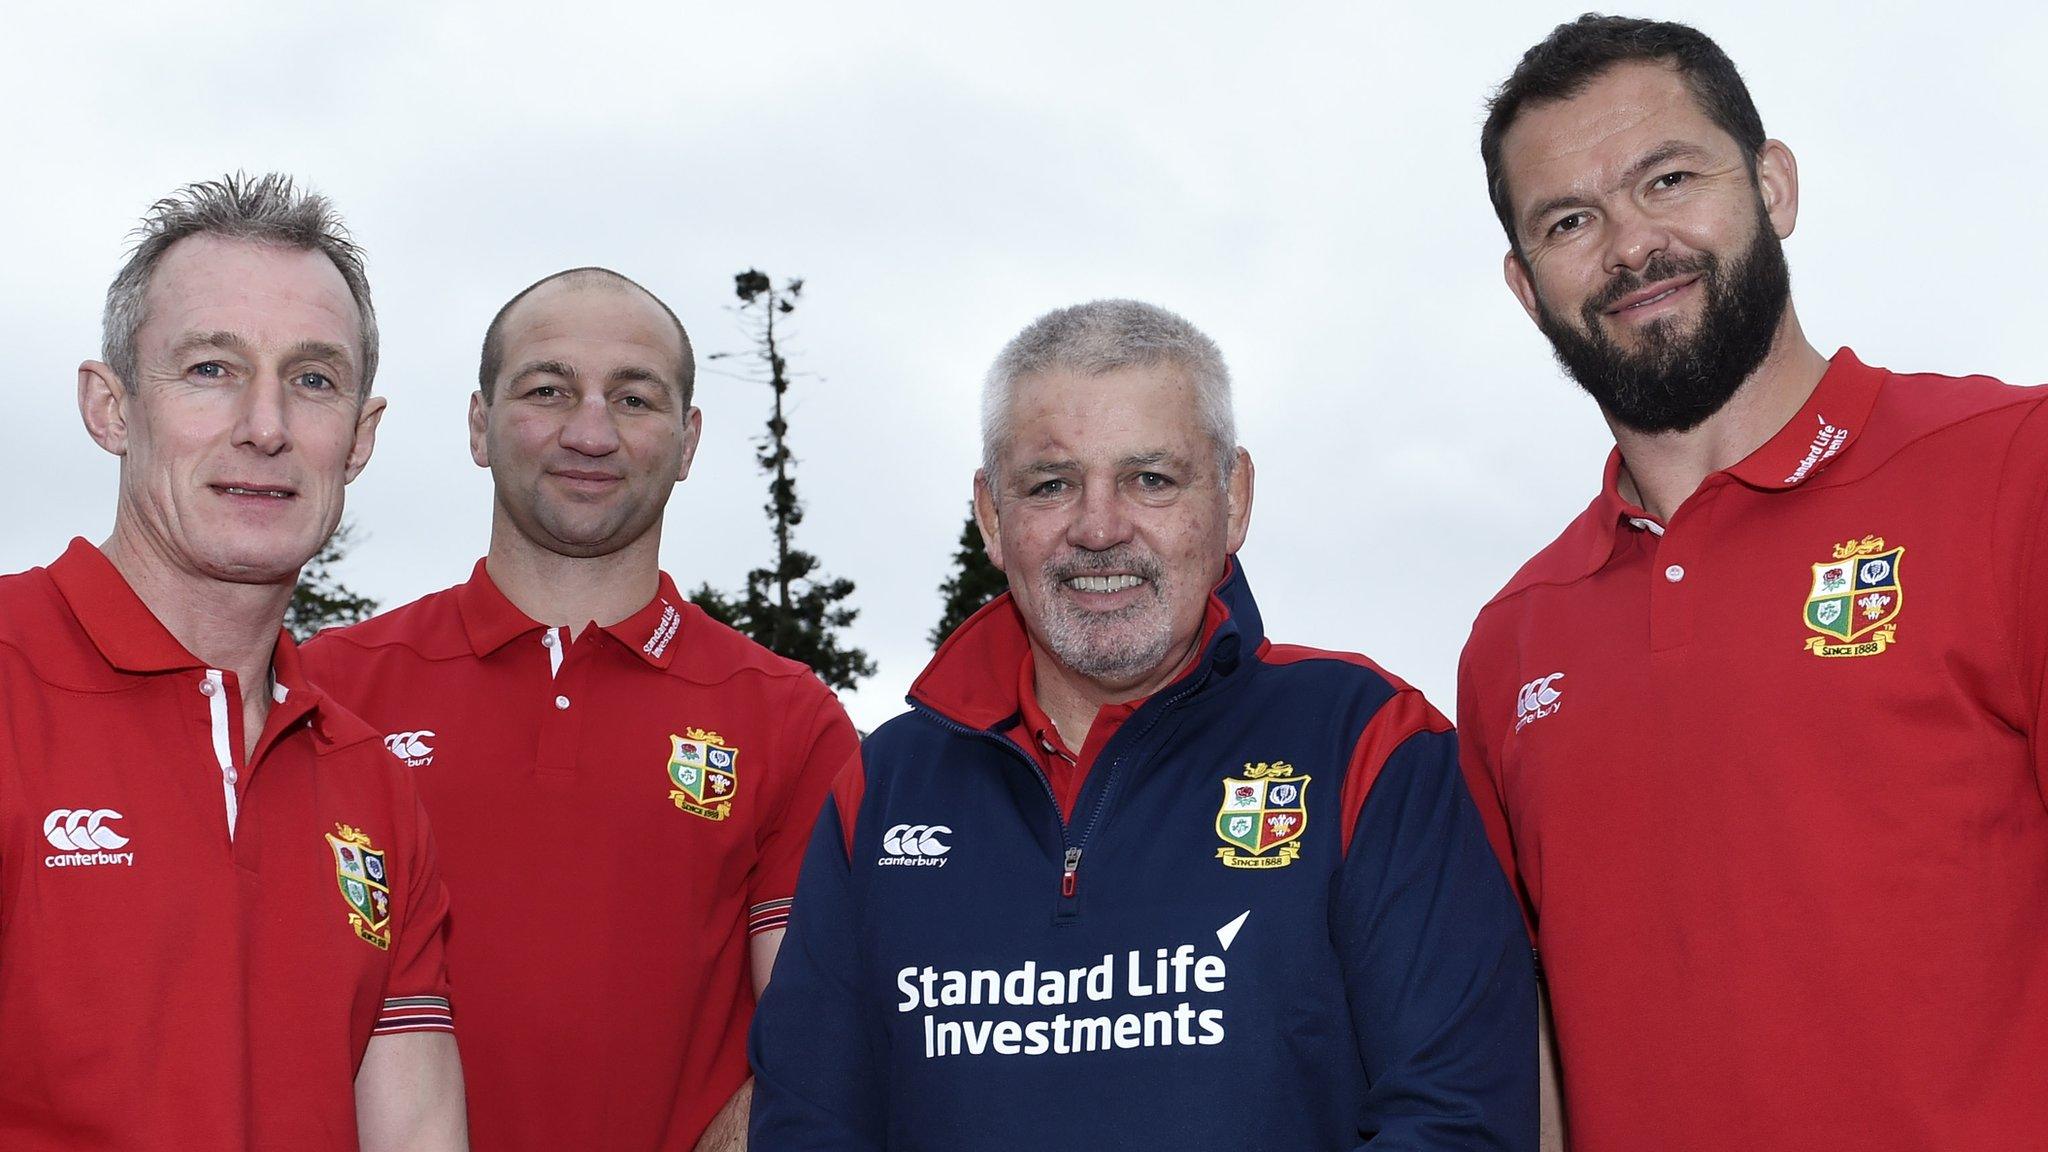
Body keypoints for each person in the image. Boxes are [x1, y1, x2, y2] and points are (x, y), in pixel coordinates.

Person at [1459, 15, 2048, 1151]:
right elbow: (1520, 1053)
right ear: (1527, 289)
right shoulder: (1510, 645)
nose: (1630, 246)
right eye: (1569, 222)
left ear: (1771, 186)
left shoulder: (2010, 469)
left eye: (1667, 178)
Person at [750, 299, 1535, 1150]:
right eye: (1051, 485)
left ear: (1233, 499)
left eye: (1150, 479)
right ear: (991, 518)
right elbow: (808, 1125)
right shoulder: (883, 787)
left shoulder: (1370, 743)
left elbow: (1458, 1117)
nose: (1098, 528)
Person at [302, 267, 859, 1151]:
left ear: (687, 440)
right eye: (548, 390)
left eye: (634, 399)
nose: (590, 432)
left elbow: (819, 1036)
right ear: (480, 426)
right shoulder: (324, 691)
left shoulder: (785, 717)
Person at [0, 174, 466, 1150]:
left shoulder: (375, 788)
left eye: (312, 379)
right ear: (111, 406)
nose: (266, 425)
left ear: (360, 437)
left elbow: (415, 1131)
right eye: (211, 369)